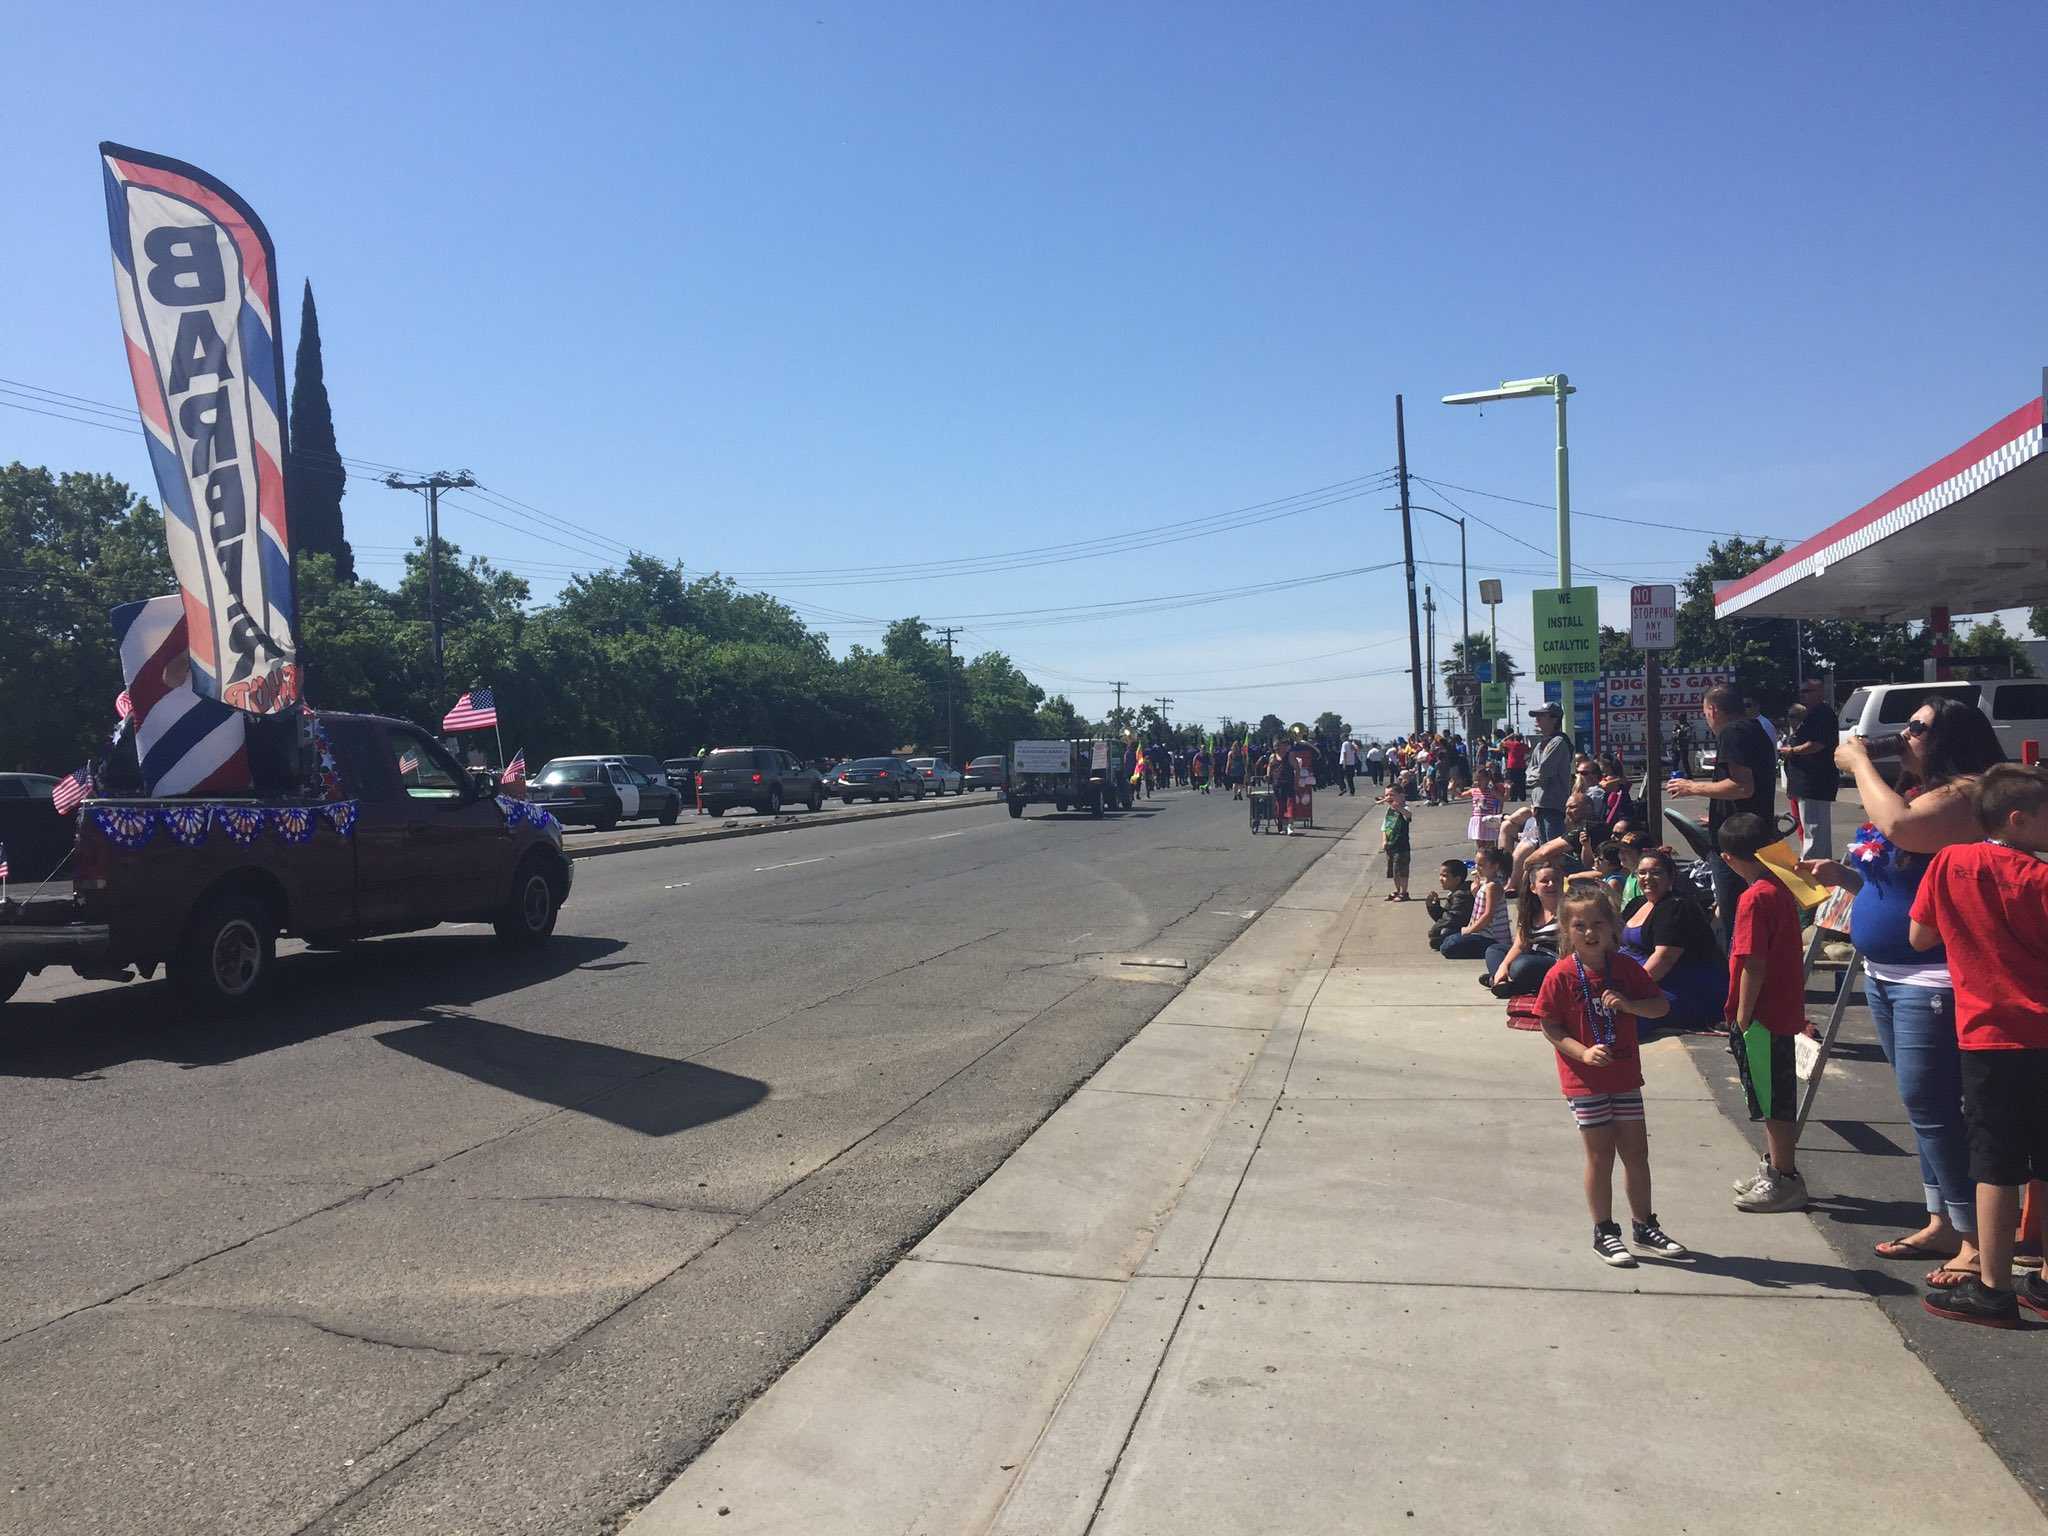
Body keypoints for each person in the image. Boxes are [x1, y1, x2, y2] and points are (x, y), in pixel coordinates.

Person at [1820, 696, 2007, 1286]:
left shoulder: (1967, 796)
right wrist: (1845, 879)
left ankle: (1977, 1239)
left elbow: (1903, 826)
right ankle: (1942, 1220)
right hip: (1886, 974)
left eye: (1918, 727)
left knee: (1933, 1106)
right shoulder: (1919, 791)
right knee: (1921, 1108)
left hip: (1935, 978)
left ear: (1951, 738)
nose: (1904, 734)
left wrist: (1858, 764)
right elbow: (1897, 865)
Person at [1909, 765, 2048, 1328]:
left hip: (1989, 1036)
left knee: (1995, 1163)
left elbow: (1920, 936)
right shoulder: (2038, 881)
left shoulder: (1950, 863)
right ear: (2019, 820)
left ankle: (1992, 1286)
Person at [1536, 882, 1686, 1267]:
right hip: (1584, 1080)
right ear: (1567, 930)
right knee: (1600, 1154)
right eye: (1580, 925)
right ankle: (1604, 1230)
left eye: (1598, 924)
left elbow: (1659, 1008)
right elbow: (1551, 1027)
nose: (1590, 933)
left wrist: (1631, 1005)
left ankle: (1644, 1224)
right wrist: (1582, 1052)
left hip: (1623, 1075)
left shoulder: (1626, 969)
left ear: (1612, 927)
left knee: (1636, 1152)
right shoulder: (1561, 975)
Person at [1714, 813, 1811, 1214]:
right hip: (1781, 1008)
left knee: (1772, 1099)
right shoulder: (1779, 887)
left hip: (1763, 1015)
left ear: (1728, 857)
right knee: (1773, 1094)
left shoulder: (1754, 897)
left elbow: (1753, 961)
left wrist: (1742, 1014)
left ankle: (1784, 1176)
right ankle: (1774, 1166)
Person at [1668, 683, 1777, 945]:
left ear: (1713, 709)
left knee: (1735, 916)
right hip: (1751, 828)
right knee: (1751, 911)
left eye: (1705, 712)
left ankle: (1736, 975)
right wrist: (1719, 812)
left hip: (1737, 842)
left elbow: (1741, 786)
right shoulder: (1756, 729)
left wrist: (1692, 787)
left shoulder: (1732, 732)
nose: (1706, 718)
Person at [1619, 847, 1727, 1032]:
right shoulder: (1636, 904)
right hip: (1642, 983)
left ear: (1671, 877)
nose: (1647, 878)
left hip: (1678, 987)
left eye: (1656, 873)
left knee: (1621, 1019)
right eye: (1642, 873)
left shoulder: (1676, 907)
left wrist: (1629, 991)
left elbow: (1664, 959)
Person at [1778, 676, 1840, 858]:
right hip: (1804, 779)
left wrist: (1792, 751)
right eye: (1801, 692)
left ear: (1820, 692)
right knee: (1807, 824)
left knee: (1814, 825)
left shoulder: (1822, 713)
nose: (1803, 695)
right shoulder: (1811, 714)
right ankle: (1814, 860)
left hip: (1815, 779)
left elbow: (1817, 744)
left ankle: (1815, 864)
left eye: (1808, 691)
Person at [1485, 859, 1563, 996]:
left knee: (1521, 965)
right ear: (1533, 888)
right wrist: (1503, 966)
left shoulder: (1569, 910)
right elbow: (1519, 945)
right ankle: (1502, 981)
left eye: (1556, 880)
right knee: (1494, 950)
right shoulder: (1530, 911)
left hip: (1556, 961)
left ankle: (1500, 981)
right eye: (1545, 881)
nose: (1552, 884)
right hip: (1532, 955)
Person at [1440, 846, 1510, 960]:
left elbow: (1488, 915)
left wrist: (1469, 930)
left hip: (1492, 938)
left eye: (1481, 865)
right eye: (1476, 864)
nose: (1478, 868)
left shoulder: (1493, 886)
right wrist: (1475, 892)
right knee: (1446, 936)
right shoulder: (1484, 884)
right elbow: (1480, 908)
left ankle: (1490, 951)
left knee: (1448, 946)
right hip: (1481, 933)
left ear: (1495, 866)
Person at [1529, 705, 1572, 842]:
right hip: (1539, 805)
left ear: (1554, 719)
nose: (1537, 719)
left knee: (1554, 851)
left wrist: (1535, 775)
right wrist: (1535, 775)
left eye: (1542, 716)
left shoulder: (1558, 742)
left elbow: (1544, 771)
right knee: (1543, 848)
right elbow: (1528, 774)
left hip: (1554, 806)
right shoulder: (1540, 745)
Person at [1425, 858, 1475, 948]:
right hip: (1461, 927)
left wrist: (1433, 931)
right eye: (1440, 875)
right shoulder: (1455, 892)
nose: (1440, 879)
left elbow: (1452, 918)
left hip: (1469, 931)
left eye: (1445, 876)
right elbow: (1445, 916)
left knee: (1445, 934)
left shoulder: (1462, 895)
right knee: (1441, 935)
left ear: (1457, 879)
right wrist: (1433, 907)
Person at [1379, 785, 1412, 896]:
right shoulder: (1389, 810)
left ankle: (1404, 892)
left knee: (1402, 870)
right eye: (1386, 795)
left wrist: (1398, 807)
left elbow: (1408, 816)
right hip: (1390, 845)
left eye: (1392, 795)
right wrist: (1384, 840)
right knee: (1393, 870)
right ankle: (1397, 890)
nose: (1388, 797)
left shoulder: (1404, 808)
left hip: (1401, 846)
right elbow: (1384, 827)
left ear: (1401, 796)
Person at [1466, 765, 1504, 856]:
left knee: (1490, 845)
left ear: (1487, 780)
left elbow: (1502, 799)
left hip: (1488, 820)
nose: (1477, 782)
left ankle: (1491, 861)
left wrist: (1507, 790)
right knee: (1480, 844)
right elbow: (1460, 795)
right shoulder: (1474, 791)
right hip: (1477, 821)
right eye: (1476, 779)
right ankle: (1480, 861)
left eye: (1480, 779)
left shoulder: (1491, 791)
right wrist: (1453, 789)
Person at [1269, 743, 1298, 836]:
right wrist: (1268, 775)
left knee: (1290, 805)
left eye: (1278, 746)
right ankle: (1282, 826)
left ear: (1284, 746)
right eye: (1275, 746)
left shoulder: (1290, 755)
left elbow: (1297, 768)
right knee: (1280, 806)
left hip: (1289, 783)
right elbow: (1270, 766)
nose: (1276, 748)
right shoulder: (1273, 756)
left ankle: (1290, 826)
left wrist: (1296, 782)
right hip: (1277, 784)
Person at [1502, 730, 1530, 801]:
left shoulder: (1511, 744)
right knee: (1521, 781)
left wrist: (1509, 736)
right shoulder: (1523, 746)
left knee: (1512, 781)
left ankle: (1513, 796)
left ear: (1514, 738)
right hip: (1521, 765)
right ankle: (1522, 796)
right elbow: (1529, 751)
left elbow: (1502, 742)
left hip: (1511, 765)